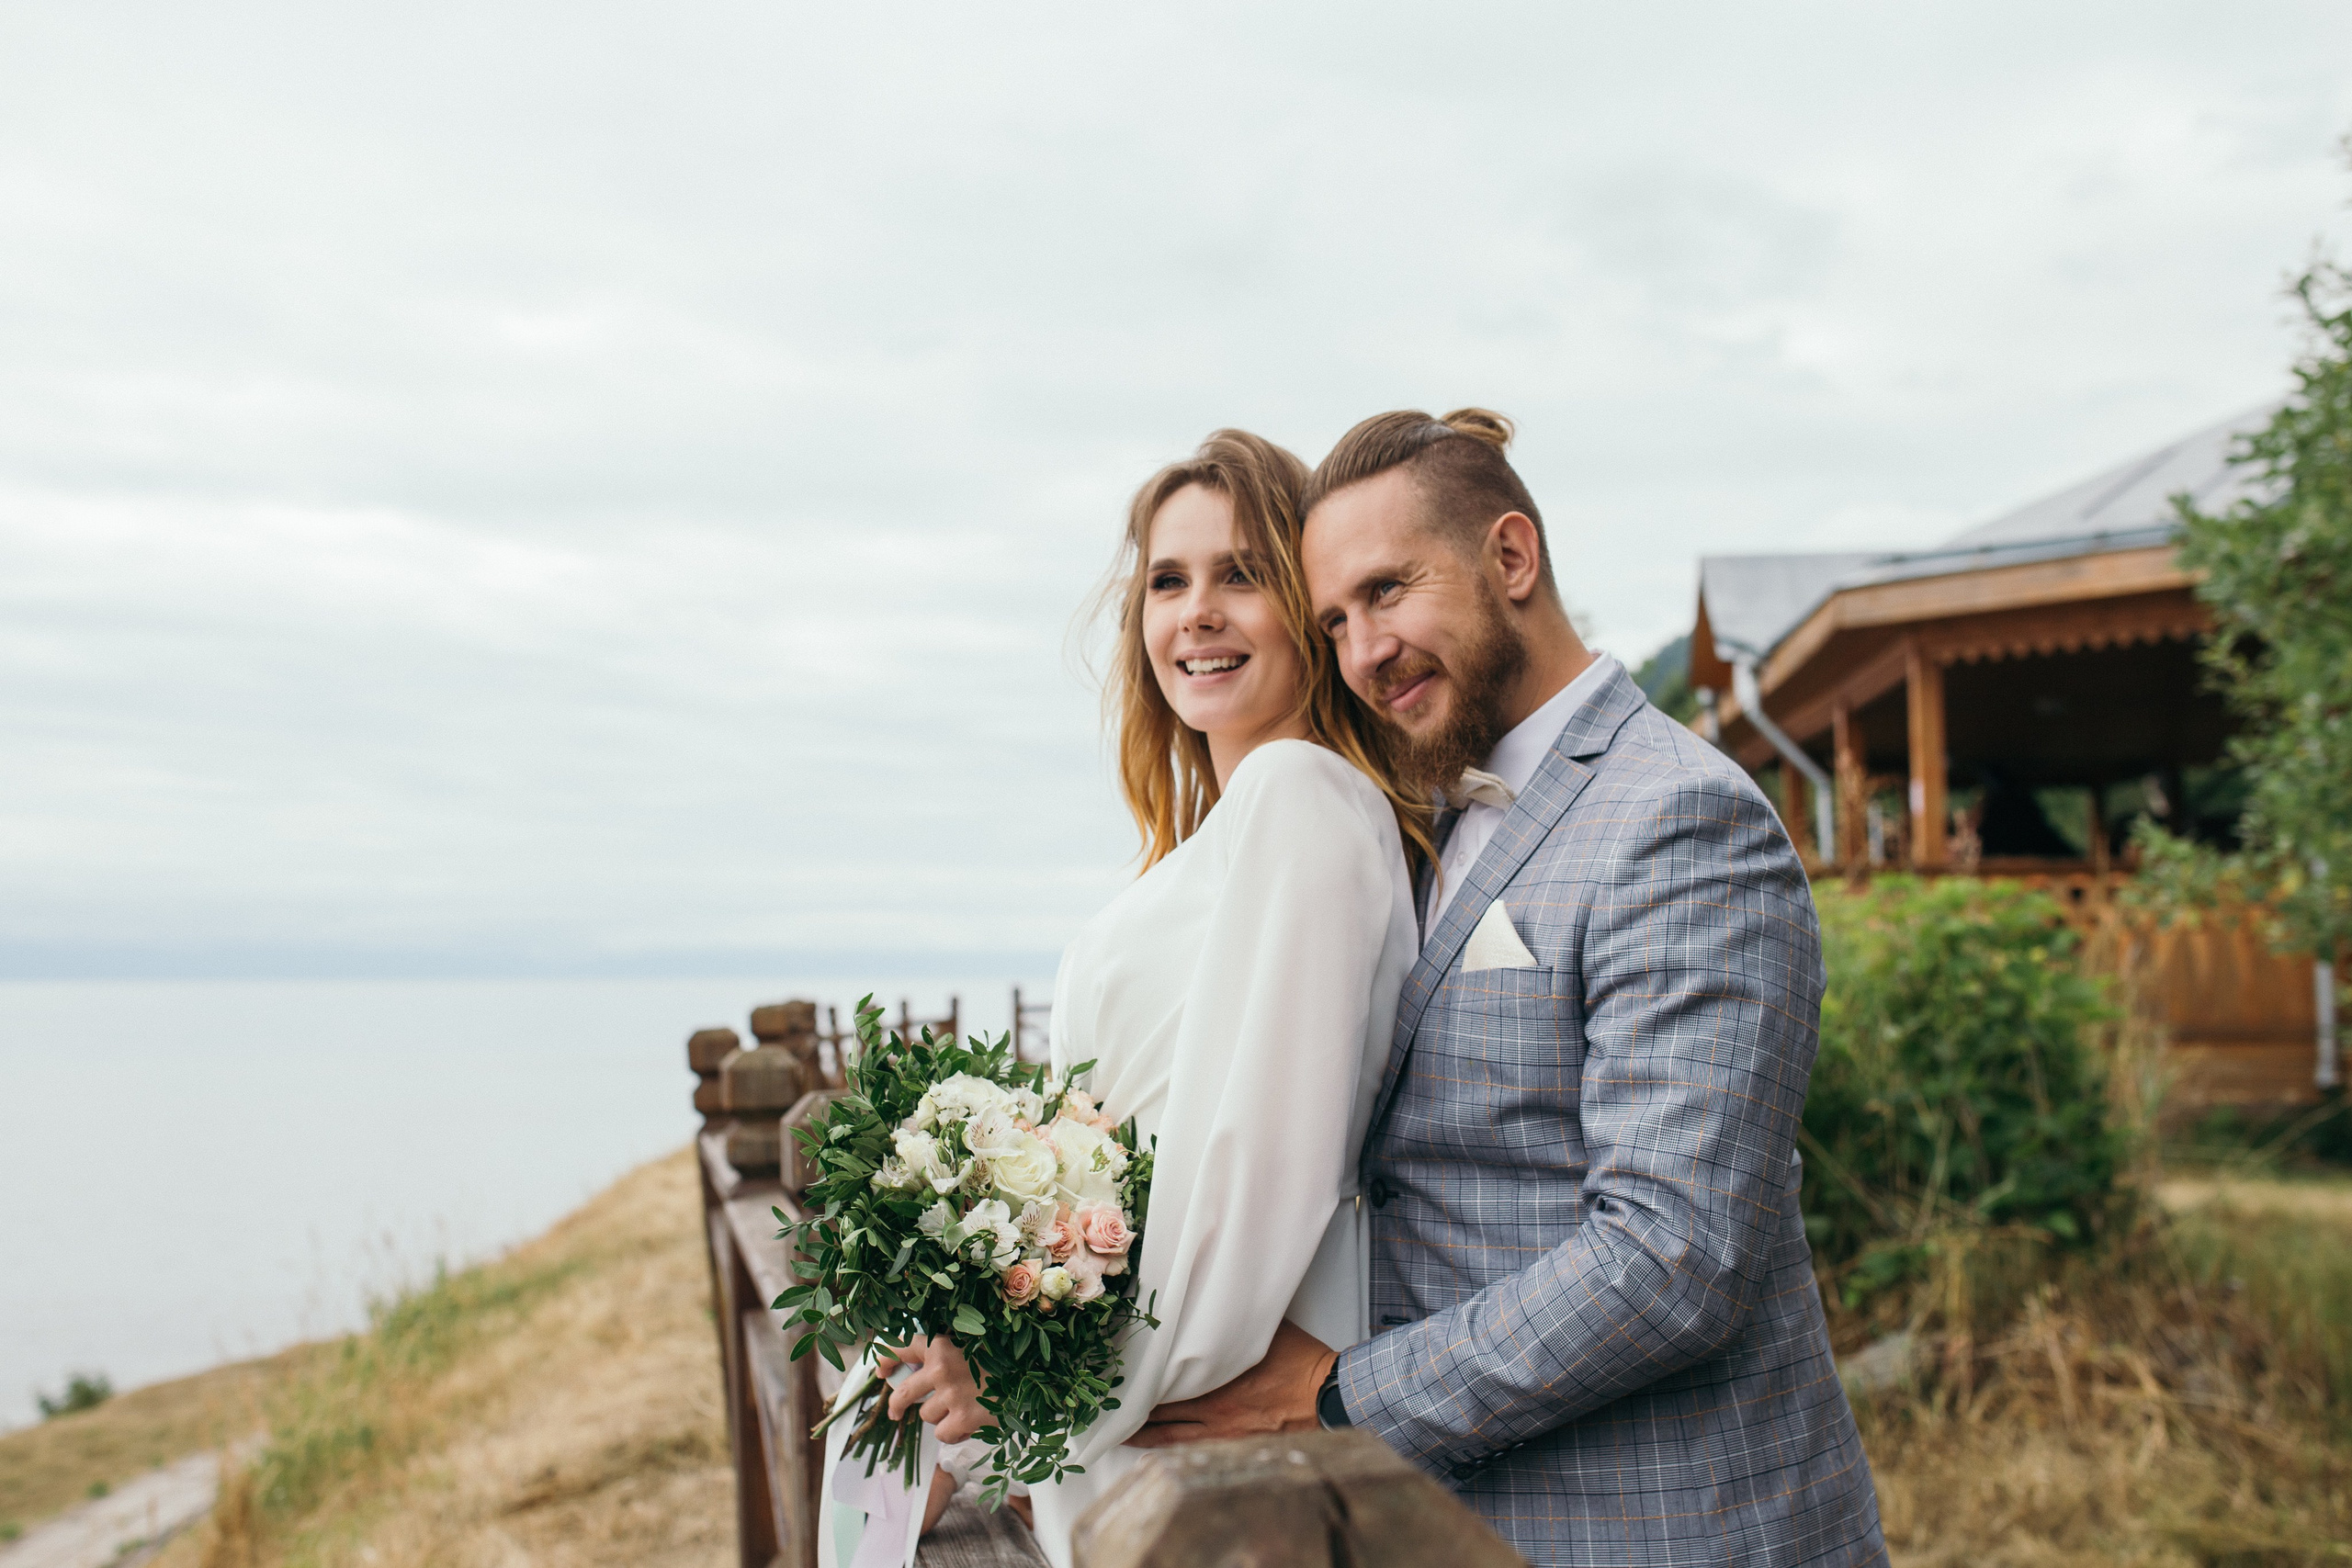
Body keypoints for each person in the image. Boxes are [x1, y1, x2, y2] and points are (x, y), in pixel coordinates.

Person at [1132, 410, 1889, 1568]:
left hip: (1678, 1526)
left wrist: (1344, 1397)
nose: (1360, 651)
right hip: (1463, 1527)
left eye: (1388, 592)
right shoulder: (1414, 815)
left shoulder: (1678, 816)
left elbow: (1671, 1257)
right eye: (1334, 619)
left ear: (1512, 558)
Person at [877, 429, 1426, 1567]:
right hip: (1139, 1446)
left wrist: (1031, 1409)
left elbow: (1246, 1177)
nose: (1197, 613)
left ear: (1308, 609)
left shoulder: (1301, 798)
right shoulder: (1208, 849)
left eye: (1241, 575)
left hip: (1210, 1449)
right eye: (1167, 582)